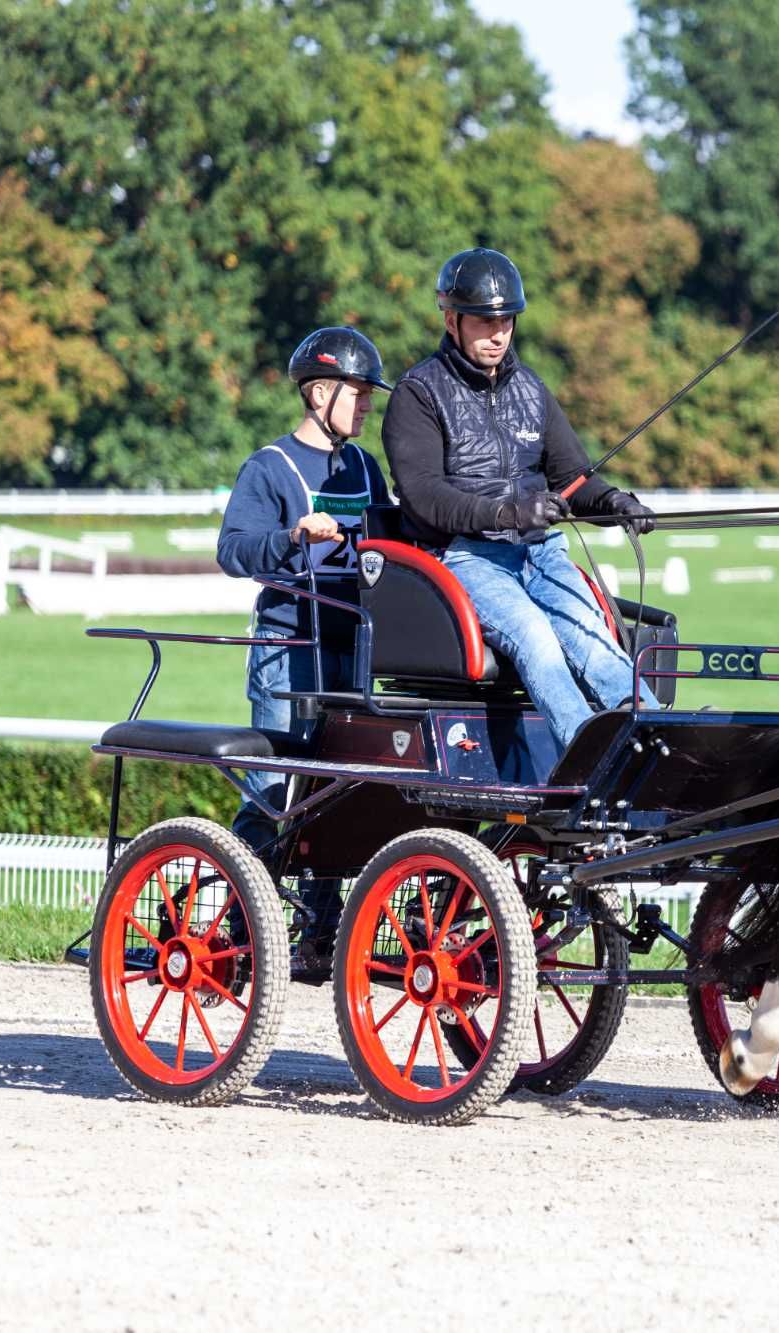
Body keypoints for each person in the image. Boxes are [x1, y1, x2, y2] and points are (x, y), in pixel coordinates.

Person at [381, 247, 657, 774]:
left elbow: (572, 479)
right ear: (451, 319)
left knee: (594, 637)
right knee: (537, 639)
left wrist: (614, 503)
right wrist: (508, 513)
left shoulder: (530, 389)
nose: (498, 333)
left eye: (506, 321)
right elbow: (424, 496)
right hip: (464, 559)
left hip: (541, 553)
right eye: (485, 322)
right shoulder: (418, 394)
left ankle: (657, 741)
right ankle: (589, 762)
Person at [217, 326, 393, 977]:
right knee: (272, 796)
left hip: (352, 649)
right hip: (286, 647)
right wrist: (292, 535)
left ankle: (321, 932)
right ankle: (238, 939)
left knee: (343, 795)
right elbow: (233, 548)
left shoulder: (365, 469)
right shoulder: (268, 468)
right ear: (320, 393)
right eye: (359, 393)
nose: (368, 405)